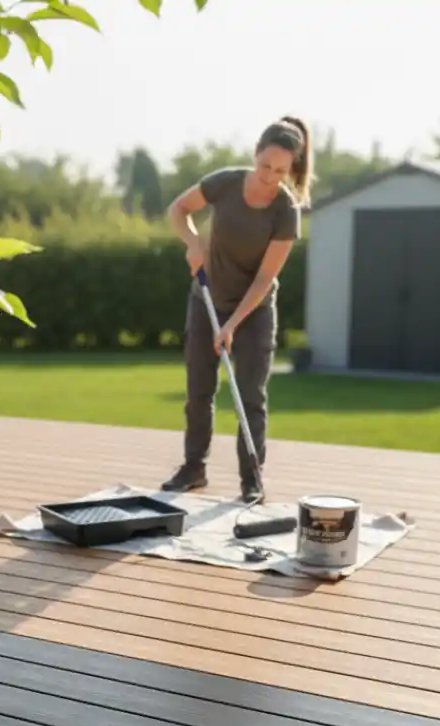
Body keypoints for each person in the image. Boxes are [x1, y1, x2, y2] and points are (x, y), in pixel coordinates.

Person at [161, 116, 313, 503]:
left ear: (291, 168)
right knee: (199, 391)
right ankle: (193, 468)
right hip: (206, 299)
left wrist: (231, 325)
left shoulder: (286, 211)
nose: (269, 176)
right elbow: (178, 210)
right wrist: (193, 243)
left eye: (280, 170)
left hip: (254, 311)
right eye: (265, 166)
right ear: (255, 154)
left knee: (250, 396)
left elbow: (264, 280)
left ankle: (252, 481)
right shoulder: (225, 182)